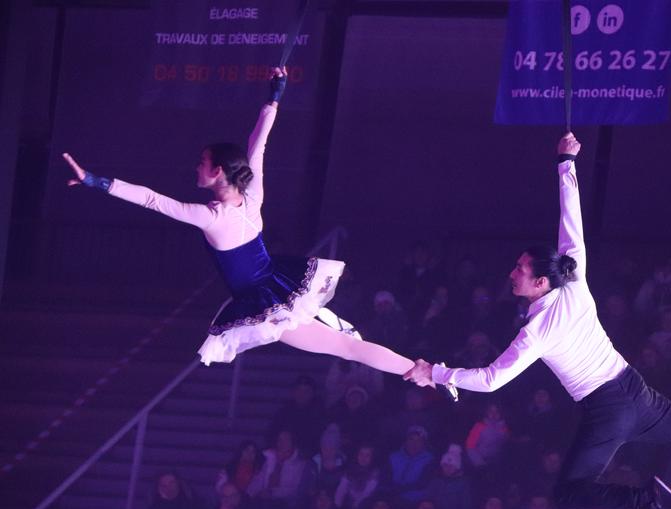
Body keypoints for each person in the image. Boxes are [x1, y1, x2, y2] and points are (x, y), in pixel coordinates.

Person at [404, 133, 671, 509]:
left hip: (607, 411)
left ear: (541, 282)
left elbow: (492, 380)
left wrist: (437, 372)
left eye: (520, 270)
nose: (512, 274)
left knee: (567, 494)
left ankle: (646, 501)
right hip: (636, 391)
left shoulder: (537, 332)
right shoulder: (575, 277)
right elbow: (571, 220)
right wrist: (566, 163)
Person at [61, 67, 454, 396]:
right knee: (347, 346)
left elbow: (152, 200)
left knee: (346, 348)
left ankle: (424, 372)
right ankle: (424, 371)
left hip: (266, 301)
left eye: (202, 162)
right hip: (279, 282)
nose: (195, 167)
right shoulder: (252, 195)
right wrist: (274, 95)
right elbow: (258, 145)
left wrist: (97, 181)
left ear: (217, 172)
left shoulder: (211, 216)